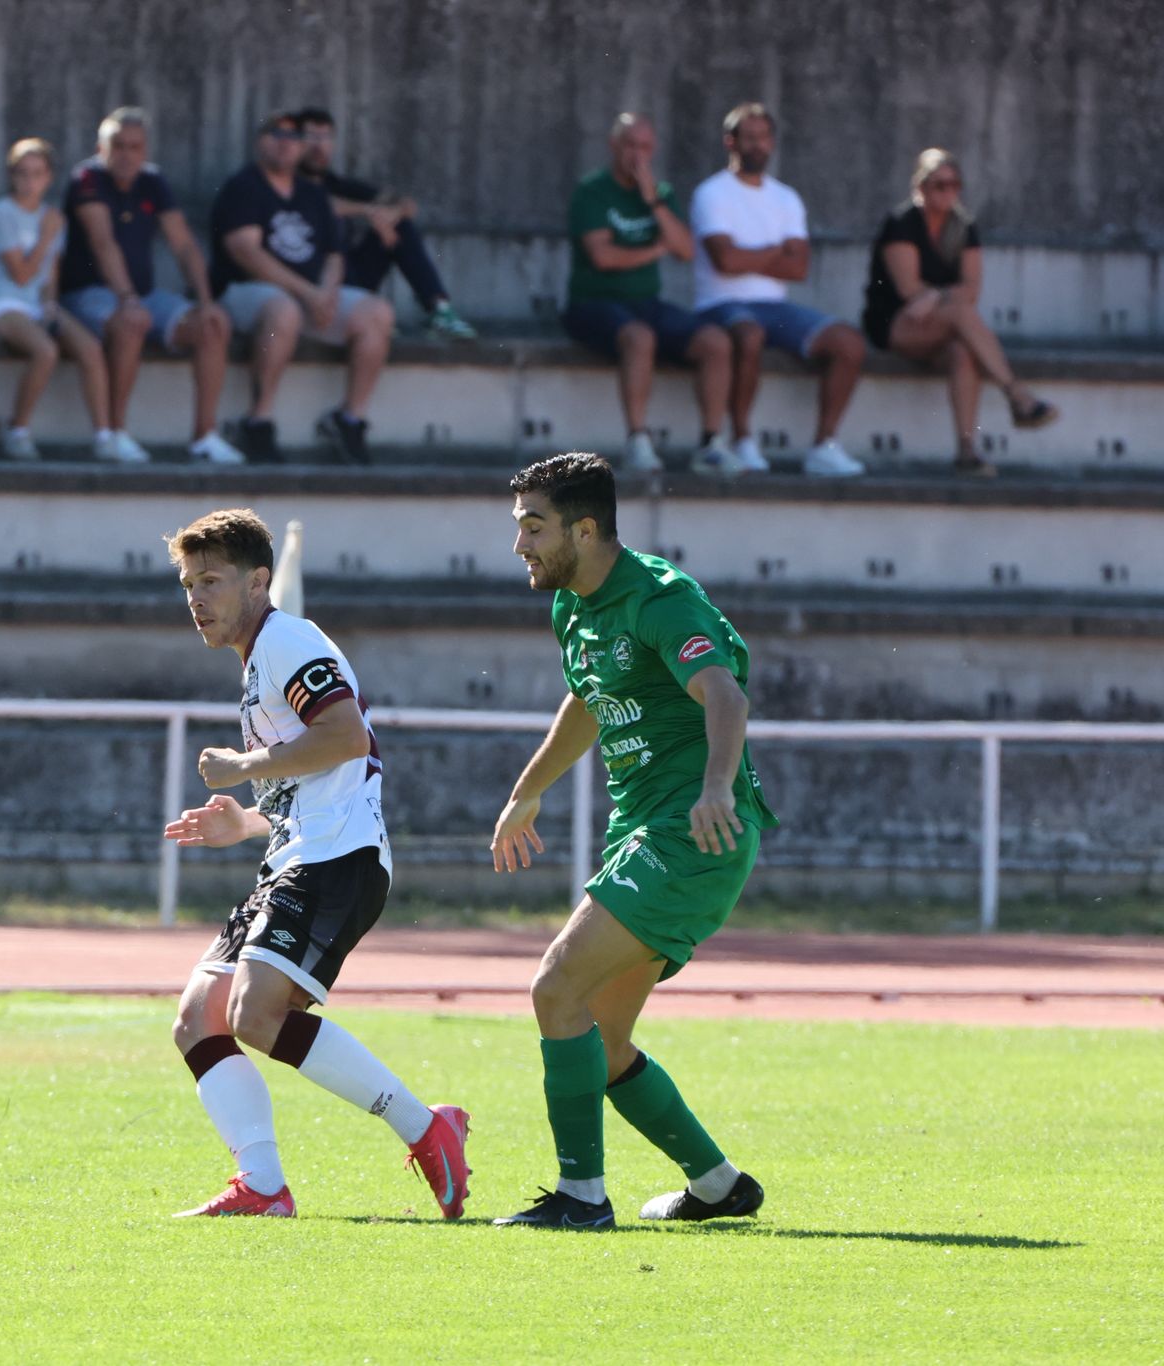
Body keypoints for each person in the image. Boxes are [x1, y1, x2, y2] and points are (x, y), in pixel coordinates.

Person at [488, 452, 773, 1230]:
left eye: (533, 528)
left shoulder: (659, 597)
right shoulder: (572, 606)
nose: (521, 546)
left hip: (691, 830)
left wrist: (717, 787)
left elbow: (724, 693)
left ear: (585, 529)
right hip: (641, 829)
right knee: (603, 1044)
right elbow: (587, 699)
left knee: (555, 989)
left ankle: (582, 1199)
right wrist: (527, 789)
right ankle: (718, 1184)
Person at [161, 507, 470, 1220]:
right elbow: (309, 776)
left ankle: (427, 1129)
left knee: (255, 1016)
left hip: (338, 859)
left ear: (259, 580)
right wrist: (247, 821)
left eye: (211, 580)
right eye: (187, 585)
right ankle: (264, 1187)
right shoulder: (260, 660)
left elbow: (347, 738)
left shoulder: (288, 639)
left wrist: (240, 764)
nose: (197, 599)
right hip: (298, 852)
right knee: (198, 1017)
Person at [56, 108, 244, 465]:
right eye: (118, 145)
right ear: (101, 147)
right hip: (86, 294)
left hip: (142, 295)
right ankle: (115, 433)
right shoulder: (86, 179)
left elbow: (184, 245)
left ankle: (205, 436)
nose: (126, 154)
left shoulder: (153, 181)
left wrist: (205, 302)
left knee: (213, 324)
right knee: (132, 320)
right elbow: (102, 242)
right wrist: (127, 298)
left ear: (145, 150)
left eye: (134, 147)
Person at [690, 102, 866, 478]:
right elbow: (725, 262)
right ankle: (742, 439)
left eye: (764, 138)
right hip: (721, 304)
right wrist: (775, 251)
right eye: (749, 138)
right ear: (730, 142)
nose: (757, 146)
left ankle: (824, 445)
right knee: (749, 334)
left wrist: (748, 254)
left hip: (776, 307)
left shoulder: (786, 197)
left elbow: (798, 267)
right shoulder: (711, 193)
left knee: (849, 343)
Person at [210, 112, 395, 465]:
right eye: (275, 133)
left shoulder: (312, 194)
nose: (284, 141)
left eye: (293, 136)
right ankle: (257, 422)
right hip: (245, 294)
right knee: (284, 308)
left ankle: (349, 419)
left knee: (377, 312)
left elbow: (334, 255)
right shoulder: (244, 186)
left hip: (307, 298)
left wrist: (327, 293)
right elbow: (245, 251)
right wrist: (309, 294)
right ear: (259, 141)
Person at [563, 114, 741, 476]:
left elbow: (685, 250)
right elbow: (603, 257)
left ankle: (710, 444)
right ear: (614, 147)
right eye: (630, 145)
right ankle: (638, 440)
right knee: (640, 338)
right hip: (594, 302)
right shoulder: (592, 191)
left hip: (647, 303)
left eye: (644, 147)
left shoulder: (660, 194)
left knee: (715, 341)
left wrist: (654, 202)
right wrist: (653, 251)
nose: (637, 155)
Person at [862, 149, 1057, 477]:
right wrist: (944, 298)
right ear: (921, 186)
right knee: (959, 313)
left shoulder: (963, 225)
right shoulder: (902, 223)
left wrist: (937, 295)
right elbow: (909, 290)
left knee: (963, 351)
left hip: (939, 323)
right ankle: (1015, 393)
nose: (948, 191)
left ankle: (966, 451)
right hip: (894, 322)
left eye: (954, 184)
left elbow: (972, 289)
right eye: (939, 185)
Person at [0, 138, 110, 460]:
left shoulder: (53, 217)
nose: (29, 181)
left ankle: (105, 436)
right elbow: (20, 275)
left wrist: (50, 304)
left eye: (37, 173)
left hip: (37, 305)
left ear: (49, 177)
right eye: (22, 173)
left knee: (89, 347)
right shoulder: (1, 213)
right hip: (1, 303)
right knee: (45, 350)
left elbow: (50, 275)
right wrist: (46, 236)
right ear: (12, 175)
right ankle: (18, 430)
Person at [295, 107, 477, 341]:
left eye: (326, 137)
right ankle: (365, 315)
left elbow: (407, 204)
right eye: (312, 137)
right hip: (315, 284)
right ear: (297, 142)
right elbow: (318, 205)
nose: (320, 146)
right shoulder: (288, 185)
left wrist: (390, 216)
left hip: (353, 280)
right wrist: (369, 211)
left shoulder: (338, 183)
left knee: (400, 226)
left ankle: (439, 310)